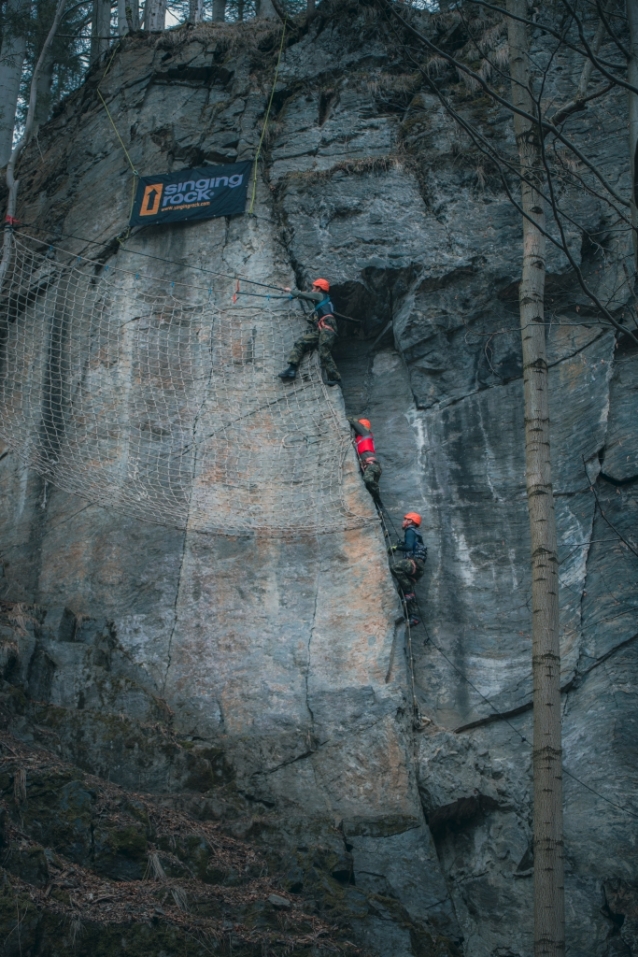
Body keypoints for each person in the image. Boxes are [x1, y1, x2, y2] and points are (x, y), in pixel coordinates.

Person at [278, 278, 341, 386]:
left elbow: (306, 296)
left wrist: (290, 290)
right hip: (322, 328)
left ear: (319, 288)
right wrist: (302, 296)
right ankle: (292, 369)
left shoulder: (320, 295)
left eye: (314, 287)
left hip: (327, 327)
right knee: (301, 342)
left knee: (324, 351)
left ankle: (336, 379)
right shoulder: (322, 299)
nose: (312, 289)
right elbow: (313, 307)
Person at [389, 512, 427, 626]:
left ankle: (409, 593)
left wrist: (396, 547)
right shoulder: (416, 534)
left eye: (405, 519)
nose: (403, 521)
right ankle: (414, 617)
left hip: (414, 563)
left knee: (396, 567)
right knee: (404, 590)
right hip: (418, 568)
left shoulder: (410, 531)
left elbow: (409, 546)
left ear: (410, 521)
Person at [349, 417, 382, 502]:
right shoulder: (360, 439)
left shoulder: (365, 433)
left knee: (368, 480)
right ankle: (376, 500)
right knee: (369, 488)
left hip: (372, 466)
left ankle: (376, 497)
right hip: (370, 466)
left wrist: (349, 419)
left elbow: (354, 423)